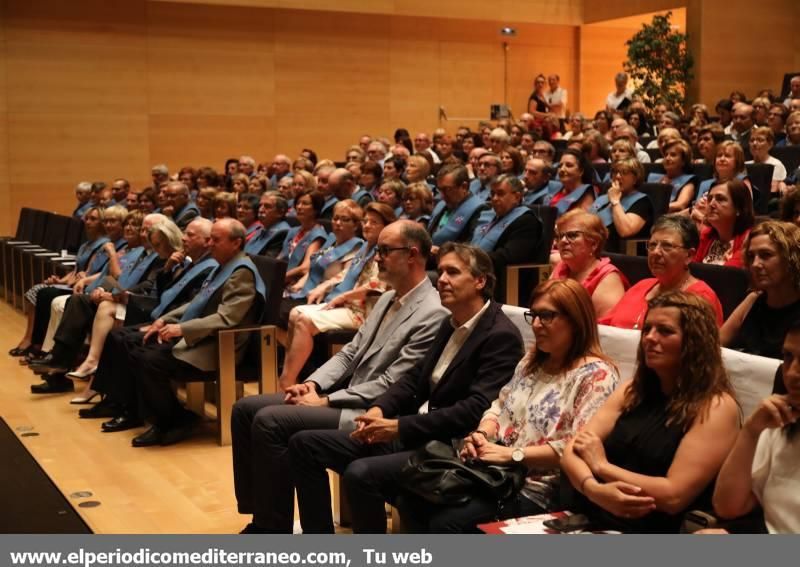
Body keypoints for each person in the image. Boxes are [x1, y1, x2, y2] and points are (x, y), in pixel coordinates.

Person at [288, 243, 524, 534]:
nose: (442, 279)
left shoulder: (500, 336)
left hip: (451, 446)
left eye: (453, 272)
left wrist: (399, 427)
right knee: (305, 444)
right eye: (442, 272)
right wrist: (379, 409)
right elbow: (414, 378)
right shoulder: (451, 321)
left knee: (360, 473)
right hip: (417, 431)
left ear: (480, 281)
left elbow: (473, 410)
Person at [232, 220, 449, 534]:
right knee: (245, 409)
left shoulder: (432, 312)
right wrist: (312, 384)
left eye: (385, 251)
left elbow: (394, 383)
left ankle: (275, 530)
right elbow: (350, 352)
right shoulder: (388, 297)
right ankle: (264, 515)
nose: (377, 257)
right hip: (344, 395)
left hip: (375, 410)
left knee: (270, 421)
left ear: (413, 255)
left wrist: (326, 400)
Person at [396, 279, 620, 533]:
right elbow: (499, 406)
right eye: (533, 315)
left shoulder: (596, 375)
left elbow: (577, 447)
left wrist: (514, 455)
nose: (536, 324)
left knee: (447, 522)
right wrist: (482, 434)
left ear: (576, 320)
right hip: (492, 471)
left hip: (538, 487)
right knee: (411, 500)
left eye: (547, 316)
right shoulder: (532, 361)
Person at [562, 291, 739, 533]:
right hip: (590, 513)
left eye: (665, 331)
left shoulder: (717, 407)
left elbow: (673, 495)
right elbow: (572, 450)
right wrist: (594, 489)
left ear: (694, 341)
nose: (650, 338)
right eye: (647, 329)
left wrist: (603, 467)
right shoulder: (632, 391)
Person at [110, 218, 266, 447]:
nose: (210, 243)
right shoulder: (224, 264)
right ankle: (167, 417)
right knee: (136, 343)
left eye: (216, 239)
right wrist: (165, 319)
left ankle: (174, 420)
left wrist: (180, 329)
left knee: (148, 359)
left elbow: (227, 319)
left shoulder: (241, 271)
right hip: (202, 336)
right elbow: (198, 302)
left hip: (219, 345)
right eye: (210, 238)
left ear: (236, 243)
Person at [278, 203, 395, 387]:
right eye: (365, 221)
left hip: (365, 311)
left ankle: (289, 379)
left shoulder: (386, 251)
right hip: (350, 305)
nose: (367, 225)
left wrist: (343, 296)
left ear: (386, 226)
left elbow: (376, 286)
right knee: (295, 313)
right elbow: (346, 274)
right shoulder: (367, 247)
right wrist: (324, 285)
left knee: (304, 320)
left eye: (374, 222)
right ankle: (293, 375)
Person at [711, 319, 800, 534]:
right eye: (788, 357)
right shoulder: (781, 423)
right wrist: (750, 432)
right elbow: (728, 507)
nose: (792, 374)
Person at [10, 207, 111, 359]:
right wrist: (60, 280)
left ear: (102, 223)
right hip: (75, 282)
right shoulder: (86, 244)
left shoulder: (104, 245)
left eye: (93, 219)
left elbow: (92, 273)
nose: (88, 222)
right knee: (36, 290)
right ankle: (30, 339)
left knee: (44, 293)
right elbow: (76, 270)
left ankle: (38, 344)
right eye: (87, 218)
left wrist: (80, 280)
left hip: (85, 287)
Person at [600, 215, 724, 328]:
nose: (656, 252)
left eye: (667, 246)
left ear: (689, 255)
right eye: (653, 245)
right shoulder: (642, 285)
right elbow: (605, 326)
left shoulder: (700, 298)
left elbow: (701, 349)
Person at [721, 221, 800, 359]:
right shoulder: (753, 299)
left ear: (791, 258)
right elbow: (716, 346)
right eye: (751, 257)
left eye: (766, 255)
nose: (755, 264)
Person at [471, 175, 541, 301]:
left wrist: (472, 258)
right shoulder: (492, 218)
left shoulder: (526, 220)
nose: (495, 199)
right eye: (492, 194)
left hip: (502, 278)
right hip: (479, 272)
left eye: (500, 194)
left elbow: (510, 256)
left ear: (517, 197)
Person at [550, 210, 627, 318]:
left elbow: (607, 331)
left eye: (572, 235)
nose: (562, 241)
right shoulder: (561, 267)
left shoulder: (608, 280)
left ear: (594, 244)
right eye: (559, 236)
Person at [588, 157, 652, 251]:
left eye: (624, 173)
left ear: (635, 178)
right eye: (615, 172)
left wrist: (615, 201)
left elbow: (625, 231)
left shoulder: (642, 202)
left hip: (613, 252)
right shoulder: (603, 198)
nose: (617, 176)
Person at [694, 179, 754, 268]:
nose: (711, 204)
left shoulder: (749, 239)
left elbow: (728, 275)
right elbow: (692, 270)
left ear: (739, 208)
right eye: (710, 199)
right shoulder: (707, 235)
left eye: (720, 199)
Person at [427, 164, 486, 253]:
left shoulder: (480, 209)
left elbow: (472, 248)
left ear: (464, 187)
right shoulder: (441, 205)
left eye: (447, 189)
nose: (442, 196)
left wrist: (442, 252)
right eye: (440, 189)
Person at [278, 189, 327, 288]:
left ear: (315, 209)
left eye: (305, 204)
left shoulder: (318, 235)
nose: (299, 207)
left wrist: (278, 278)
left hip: (295, 284)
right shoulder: (293, 231)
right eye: (298, 203)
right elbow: (280, 258)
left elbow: (305, 268)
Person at [647, 139, 696, 213]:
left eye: (673, 155)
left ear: (683, 161)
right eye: (666, 155)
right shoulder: (652, 178)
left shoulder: (688, 182)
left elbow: (680, 205)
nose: (667, 158)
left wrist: (650, 208)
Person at [542, 148, 595, 216]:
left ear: (581, 171)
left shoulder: (586, 193)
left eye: (569, 165)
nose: (562, 169)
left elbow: (583, 222)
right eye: (560, 166)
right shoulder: (554, 188)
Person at [244, 192, 291, 258]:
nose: (260, 210)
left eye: (267, 206)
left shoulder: (283, 232)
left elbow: (268, 263)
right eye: (260, 205)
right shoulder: (260, 228)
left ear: (280, 212)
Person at [746, 126, 788, 195]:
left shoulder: (776, 165)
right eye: (752, 140)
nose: (754, 143)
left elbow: (772, 191)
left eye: (760, 140)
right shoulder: (745, 165)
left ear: (770, 144)